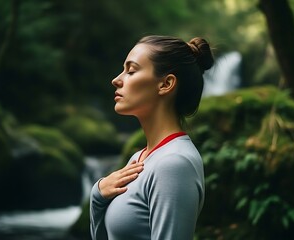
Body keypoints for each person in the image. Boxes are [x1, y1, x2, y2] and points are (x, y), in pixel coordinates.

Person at [90, 35, 214, 240]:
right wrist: (98, 196)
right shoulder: (139, 159)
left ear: (166, 84)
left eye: (131, 71)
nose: (116, 80)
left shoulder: (174, 164)